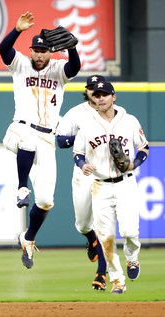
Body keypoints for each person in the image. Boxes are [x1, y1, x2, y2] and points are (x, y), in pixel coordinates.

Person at [0, 11, 81, 269]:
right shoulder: (21, 64)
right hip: (18, 129)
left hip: (47, 138)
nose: (38, 54)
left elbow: (74, 68)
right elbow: (3, 50)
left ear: (50, 53)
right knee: (28, 142)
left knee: (45, 200)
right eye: (35, 50)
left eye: (43, 51)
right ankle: (22, 187)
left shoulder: (58, 69)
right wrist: (17, 30)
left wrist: (73, 48)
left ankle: (29, 238)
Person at [72, 81, 149, 294]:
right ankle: (117, 281)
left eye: (105, 94)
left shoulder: (130, 121)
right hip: (100, 186)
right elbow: (77, 152)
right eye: (97, 95)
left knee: (129, 232)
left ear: (113, 97)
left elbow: (144, 147)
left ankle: (132, 258)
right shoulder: (87, 125)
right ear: (93, 99)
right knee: (105, 237)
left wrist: (134, 163)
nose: (101, 98)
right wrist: (82, 164)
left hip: (126, 183)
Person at [56, 75, 109, 290]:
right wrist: (80, 137)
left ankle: (101, 274)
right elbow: (60, 140)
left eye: (100, 90)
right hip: (83, 173)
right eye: (92, 90)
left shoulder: (114, 114)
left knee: (103, 225)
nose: (96, 94)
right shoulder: (76, 113)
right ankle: (90, 239)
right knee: (83, 224)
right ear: (87, 92)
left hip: (106, 175)